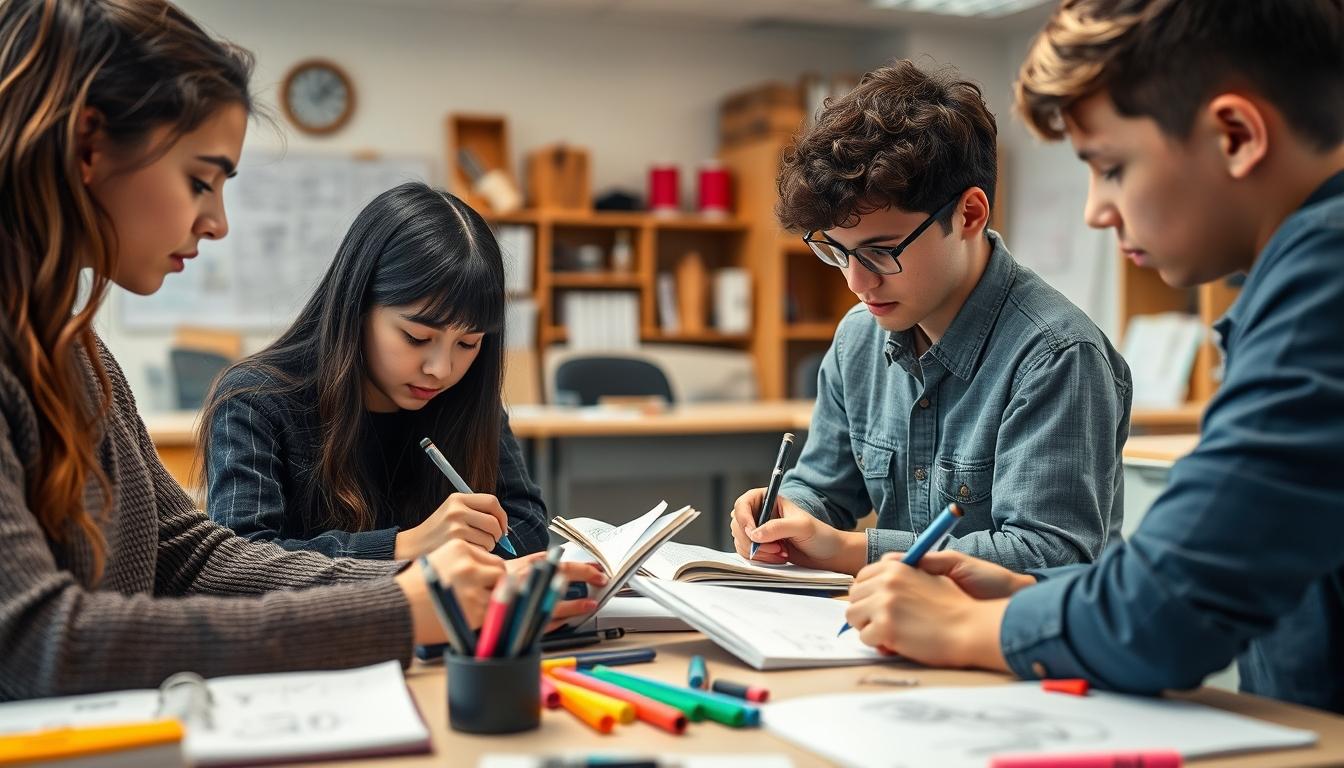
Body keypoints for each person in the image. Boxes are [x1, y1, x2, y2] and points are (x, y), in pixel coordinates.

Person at [0, 0, 600, 701]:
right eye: (200, 179)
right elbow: (33, 645)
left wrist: (422, 588)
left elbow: (190, 557)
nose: (218, 222)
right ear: (87, 145)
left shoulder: (77, 352)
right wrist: (400, 603)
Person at [842, 0, 1344, 714]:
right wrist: (1039, 596)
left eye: (1110, 167)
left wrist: (972, 626)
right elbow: (1179, 575)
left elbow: (1167, 613)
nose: (1096, 211)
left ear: (1235, 135)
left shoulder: (1325, 277)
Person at [730, 60, 1132, 576]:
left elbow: (1048, 558)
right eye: (837, 252)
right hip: (895, 633)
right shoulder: (859, 337)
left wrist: (852, 551)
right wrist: (787, 516)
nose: (856, 282)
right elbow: (823, 488)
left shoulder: (1056, 357)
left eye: (880, 252)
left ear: (969, 214)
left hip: (1020, 647)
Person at [202, 182, 546, 562]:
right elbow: (241, 562)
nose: (440, 370)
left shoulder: (468, 397)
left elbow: (527, 525)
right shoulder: (256, 401)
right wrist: (408, 546)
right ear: (359, 305)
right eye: (417, 337)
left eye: (468, 344)